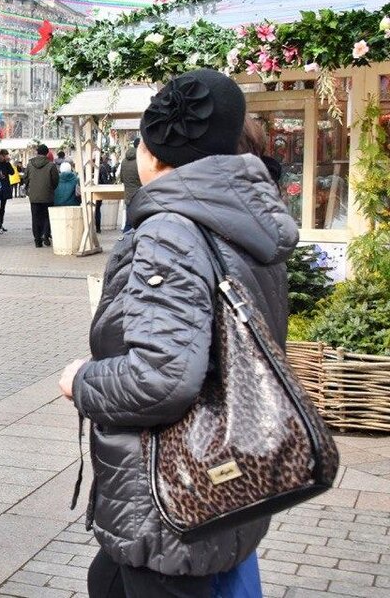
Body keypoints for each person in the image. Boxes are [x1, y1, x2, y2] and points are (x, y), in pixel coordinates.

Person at [56, 69, 297, 598]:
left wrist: (83, 381)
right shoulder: (242, 215)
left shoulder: (172, 228)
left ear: (154, 151)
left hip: (172, 497)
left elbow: (161, 379)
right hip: (225, 481)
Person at [23, 143, 59, 247]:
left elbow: (25, 178)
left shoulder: (30, 164)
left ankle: (37, 240)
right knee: (47, 216)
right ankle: (45, 234)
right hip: (48, 195)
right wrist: (51, 188)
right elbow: (55, 180)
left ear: (37, 152)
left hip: (34, 196)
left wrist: (29, 188)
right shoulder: (51, 165)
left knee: (35, 217)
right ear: (47, 153)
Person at [118, 139, 140, 233]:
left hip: (128, 196)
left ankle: (124, 242)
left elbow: (121, 178)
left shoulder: (124, 161)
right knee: (139, 223)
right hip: (139, 196)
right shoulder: (140, 161)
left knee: (128, 222)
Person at [0, 149, 14, 232]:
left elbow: (12, 172)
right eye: (6, 155)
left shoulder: (6, 163)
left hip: (4, 187)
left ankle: (0, 224)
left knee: (2, 208)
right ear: (1, 155)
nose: (7, 157)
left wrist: (7, 163)